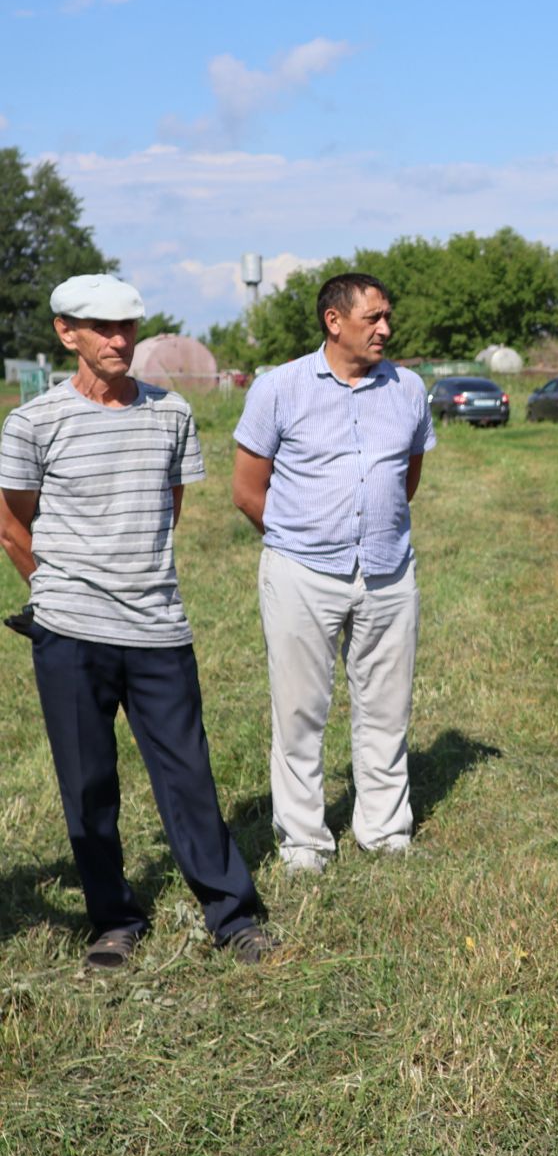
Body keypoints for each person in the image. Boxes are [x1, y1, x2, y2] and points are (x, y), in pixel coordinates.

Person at [0, 275, 275, 968]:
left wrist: (129, 578)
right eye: (102, 328)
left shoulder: (171, 414)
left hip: (158, 631)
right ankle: (114, 920)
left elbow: (168, 510)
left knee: (189, 778)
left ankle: (233, 917)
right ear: (68, 333)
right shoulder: (33, 423)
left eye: (128, 327)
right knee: (88, 787)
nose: (119, 340)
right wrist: (60, 593)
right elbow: (11, 525)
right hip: (68, 635)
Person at [232, 272, 435, 873]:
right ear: (334, 320)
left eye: (387, 316)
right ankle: (303, 842)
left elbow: (408, 480)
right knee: (299, 711)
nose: (385, 328)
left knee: (387, 705)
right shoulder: (279, 389)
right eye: (373, 317)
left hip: (388, 571)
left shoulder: (408, 388)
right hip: (301, 571)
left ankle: (385, 830)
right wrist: (301, 542)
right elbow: (247, 491)